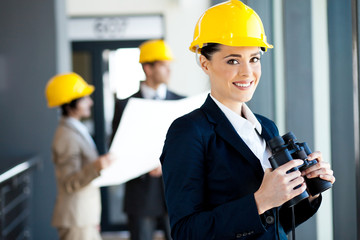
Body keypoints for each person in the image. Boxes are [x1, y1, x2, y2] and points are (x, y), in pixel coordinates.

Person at [160, 1, 336, 239]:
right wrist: (259, 201)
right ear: (205, 63)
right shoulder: (189, 131)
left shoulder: (266, 127)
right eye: (233, 60)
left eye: (254, 59)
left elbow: (275, 223)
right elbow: (185, 231)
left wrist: (309, 190)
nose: (247, 72)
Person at [111, 39, 184, 240]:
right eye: (163, 65)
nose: (170, 70)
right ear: (148, 68)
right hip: (141, 191)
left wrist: (166, 163)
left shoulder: (182, 102)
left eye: (170, 65)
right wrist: (144, 164)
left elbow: (188, 148)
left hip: (175, 190)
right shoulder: (125, 105)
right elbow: (119, 148)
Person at [45, 72, 113, 240]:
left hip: (83, 217)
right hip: (76, 218)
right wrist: (96, 166)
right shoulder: (66, 136)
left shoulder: (75, 129)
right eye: (84, 99)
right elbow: (69, 181)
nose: (90, 102)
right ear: (69, 105)